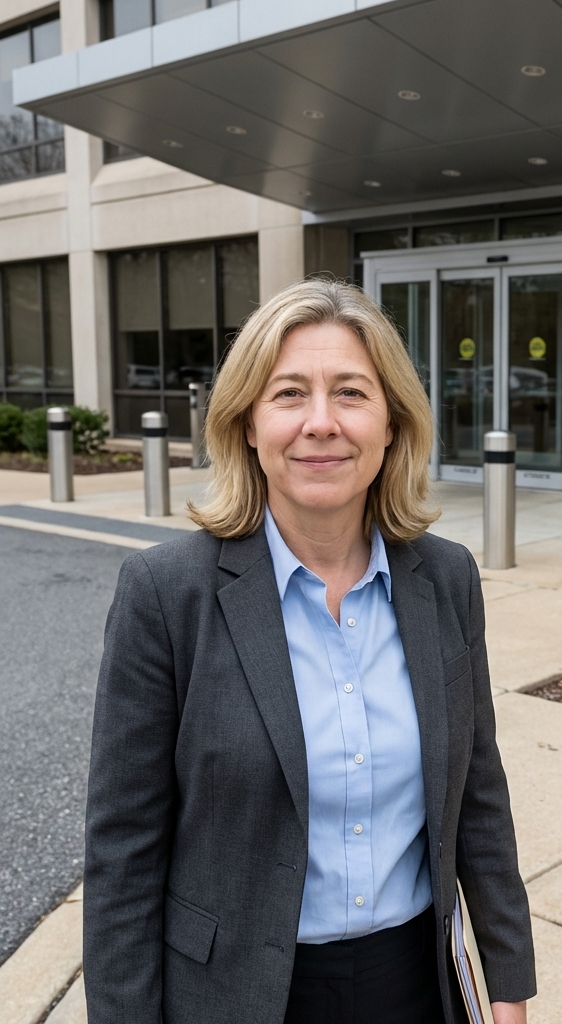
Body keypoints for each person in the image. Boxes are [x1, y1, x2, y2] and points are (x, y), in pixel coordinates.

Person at [83, 279, 536, 1024]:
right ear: (247, 426)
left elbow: (479, 793)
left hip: (413, 986)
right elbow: (123, 854)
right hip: (233, 996)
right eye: (289, 393)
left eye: (351, 393)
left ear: (391, 424)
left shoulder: (445, 578)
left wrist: (508, 986)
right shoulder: (167, 594)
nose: (321, 423)